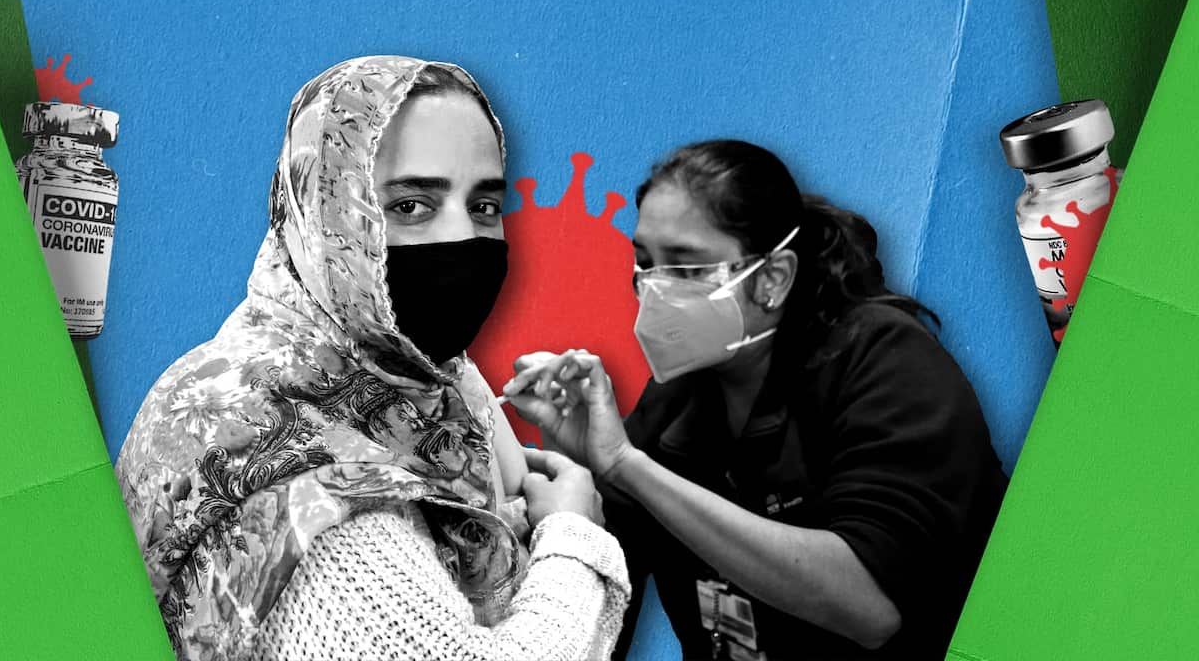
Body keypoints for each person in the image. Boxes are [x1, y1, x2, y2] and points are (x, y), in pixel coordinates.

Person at [116, 56, 628, 661]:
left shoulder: (417, 376)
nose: (459, 241)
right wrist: (576, 538)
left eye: (485, 206)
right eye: (411, 205)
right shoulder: (301, 493)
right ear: (327, 218)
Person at [504, 140, 1008, 660]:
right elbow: (600, 608)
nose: (655, 290)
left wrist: (626, 467)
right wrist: (583, 474)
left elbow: (870, 607)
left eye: (687, 266)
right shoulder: (678, 398)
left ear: (772, 279)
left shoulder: (887, 361)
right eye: (646, 263)